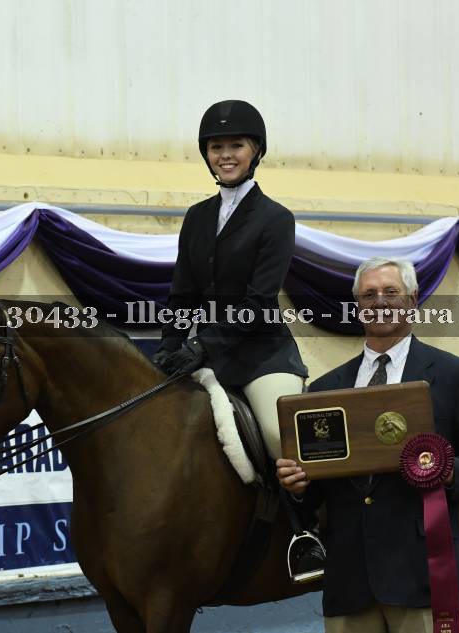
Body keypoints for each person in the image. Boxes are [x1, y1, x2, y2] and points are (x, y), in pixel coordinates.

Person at [276, 256, 459, 632]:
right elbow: (317, 491)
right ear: (358, 306)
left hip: (424, 579)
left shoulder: (455, 376)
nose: (379, 302)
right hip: (349, 584)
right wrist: (299, 485)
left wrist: (445, 470)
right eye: (368, 295)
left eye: (390, 292)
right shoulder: (323, 391)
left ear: (412, 300)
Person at [152, 99, 324, 582]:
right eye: (216, 147)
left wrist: (203, 346)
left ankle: (307, 533)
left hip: (261, 357)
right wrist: (169, 345)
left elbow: (258, 299)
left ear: (255, 152)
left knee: (277, 436)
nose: (225, 155)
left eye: (236, 145)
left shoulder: (275, 218)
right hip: (204, 355)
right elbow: (183, 293)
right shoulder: (197, 217)